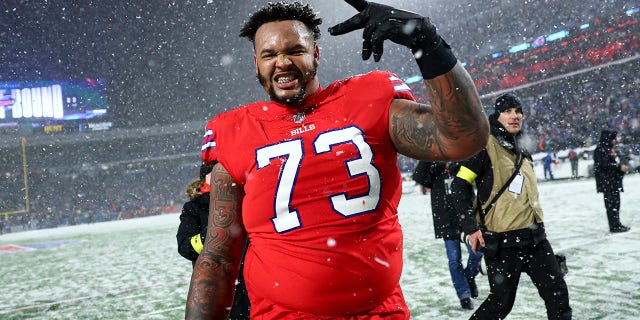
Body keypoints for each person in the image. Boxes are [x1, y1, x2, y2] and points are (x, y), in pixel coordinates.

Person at [186, 0, 489, 318]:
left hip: (378, 312)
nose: (282, 62)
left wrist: (429, 44)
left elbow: (463, 139)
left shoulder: (368, 96)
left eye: (294, 50)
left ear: (315, 54)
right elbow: (219, 255)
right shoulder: (234, 130)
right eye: (270, 54)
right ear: (256, 63)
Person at [450, 93, 572, 319]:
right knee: (500, 304)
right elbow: (459, 186)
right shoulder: (484, 146)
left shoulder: (523, 148)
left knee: (558, 295)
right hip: (502, 243)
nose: (514, 116)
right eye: (507, 111)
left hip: (535, 238)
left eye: (518, 111)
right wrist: (470, 227)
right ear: (497, 117)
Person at [177, 164, 251, 319]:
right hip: (217, 280)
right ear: (206, 178)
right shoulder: (194, 207)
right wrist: (215, 232)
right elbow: (185, 246)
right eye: (216, 173)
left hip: (250, 281)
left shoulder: (244, 199)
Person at [412, 161, 483, 310]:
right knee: (453, 260)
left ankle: (469, 276)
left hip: (466, 218)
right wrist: (427, 157)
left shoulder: (462, 159)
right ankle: (464, 296)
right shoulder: (433, 167)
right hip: (446, 220)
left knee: (476, 253)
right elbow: (418, 176)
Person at [593, 130, 630, 233]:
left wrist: (620, 170)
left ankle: (617, 224)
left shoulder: (609, 149)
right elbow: (604, 165)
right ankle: (614, 226)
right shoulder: (600, 150)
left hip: (613, 182)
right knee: (611, 205)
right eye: (613, 138)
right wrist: (619, 167)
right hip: (607, 183)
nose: (615, 141)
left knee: (616, 204)